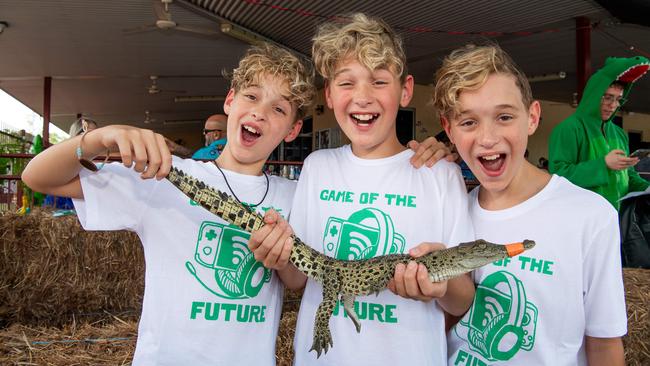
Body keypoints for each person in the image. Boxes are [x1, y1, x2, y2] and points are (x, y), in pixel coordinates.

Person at [22, 43, 316, 366]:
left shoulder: (295, 195)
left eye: (279, 109)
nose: (260, 111)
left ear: (293, 130)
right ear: (231, 100)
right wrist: (98, 139)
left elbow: (297, 281)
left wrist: (282, 258)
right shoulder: (165, 176)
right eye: (252, 96)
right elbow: (37, 177)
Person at [252, 13, 475, 365]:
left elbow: (462, 300)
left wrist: (442, 285)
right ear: (329, 94)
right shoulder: (318, 167)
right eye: (346, 83)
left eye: (379, 81)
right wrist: (277, 254)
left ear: (405, 90)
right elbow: (297, 278)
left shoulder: (439, 173)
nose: (363, 97)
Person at [398, 44, 626, 365]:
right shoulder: (451, 209)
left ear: (532, 118)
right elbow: (445, 325)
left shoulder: (589, 215)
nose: (487, 138)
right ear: (448, 129)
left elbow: (604, 343)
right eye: (468, 122)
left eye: (504, 117)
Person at [549, 56, 650, 210]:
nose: (613, 105)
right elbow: (558, 176)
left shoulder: (619, 134)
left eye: (618, 99)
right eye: (608, 98)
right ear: (594, 95)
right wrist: (603, 164)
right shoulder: (569, 129)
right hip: (583, 218)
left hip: (617, 219)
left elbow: (629, 176)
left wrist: (646, 189)